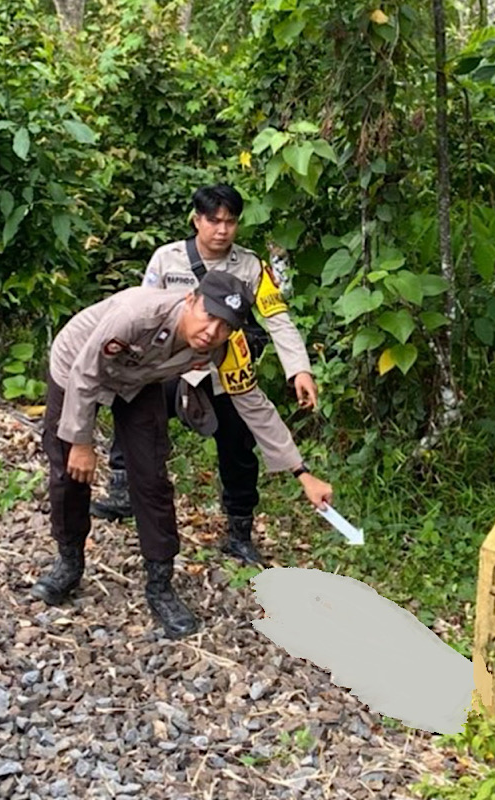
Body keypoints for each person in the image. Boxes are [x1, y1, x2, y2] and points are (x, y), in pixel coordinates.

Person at [32, 270, 333, 639]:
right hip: (77, 367)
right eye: (208, 315)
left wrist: (301, 472)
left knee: (152, 477)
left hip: (139, 380)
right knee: (69, 470)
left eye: (225, 326)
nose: (211, 332)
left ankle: (160, 583)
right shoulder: (137, 315)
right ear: (191, 300)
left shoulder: (223, 347)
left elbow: (253, 403)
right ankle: (69, 562)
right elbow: (85, 372)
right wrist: (81, 442)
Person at [91, 184, 319, 566]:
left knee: (239, 444)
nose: (222, 230)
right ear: (197, 220)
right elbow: (143, 308)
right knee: (134, 408)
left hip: (223, 369)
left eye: (230, 222)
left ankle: (239, 530)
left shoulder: (250, 267)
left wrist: (299, 369)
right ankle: (121, 489)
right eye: (214, 221)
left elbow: (277, 318)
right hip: (169, 366)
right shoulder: (167, 259)